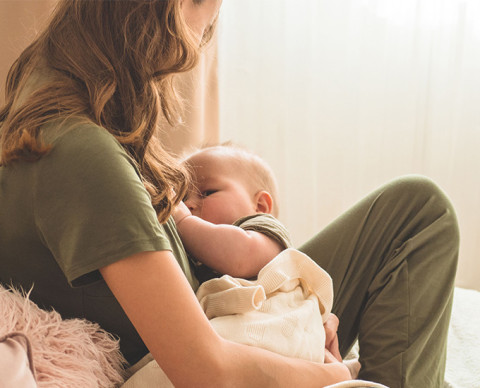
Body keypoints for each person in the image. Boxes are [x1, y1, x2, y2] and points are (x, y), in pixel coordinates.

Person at [0, 1, 458, 387]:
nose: (199, 44)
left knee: (412, 207)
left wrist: (301, 307)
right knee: (421, 215)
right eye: (206, 16)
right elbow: (205, 369)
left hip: (225, 303)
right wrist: (330, 373)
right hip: (221, 329)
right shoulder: (83, 153)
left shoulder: (43, 105)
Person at [176, 143, 293, 282]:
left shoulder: (266, 231)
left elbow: (241, 257)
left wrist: (183, 222)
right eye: (182, 199)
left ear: (260, 206)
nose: (187, 205)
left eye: (207, 193)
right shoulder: (195, 257)